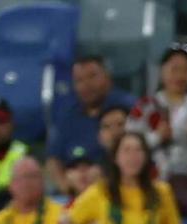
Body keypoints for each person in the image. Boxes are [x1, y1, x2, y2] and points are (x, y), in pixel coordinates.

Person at [128, 43, 187, 219]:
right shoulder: (146, 107)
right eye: (174, 69)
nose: (180, 76)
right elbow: (129, 146)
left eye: (186, 70)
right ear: (162, 72)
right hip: (151, 186)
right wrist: (157, 137)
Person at [47, 57, 135, 191]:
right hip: (77, 192)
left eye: (92, 76)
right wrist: (65, 186)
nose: (86, 85)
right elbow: (53, 159)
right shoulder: (67, 116)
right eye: (79, 80)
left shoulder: (130, 107)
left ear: (107, 77)